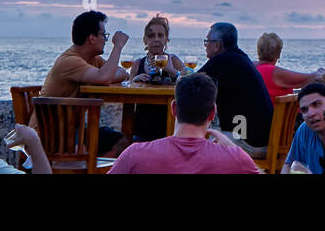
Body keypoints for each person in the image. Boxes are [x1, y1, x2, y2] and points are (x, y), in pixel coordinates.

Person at [108, 73, 261, 174]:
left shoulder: (135, 155)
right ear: (213, 113)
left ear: (173, 108)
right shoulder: (235, 159)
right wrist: (232, 147)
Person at [35, 10, 129, 157]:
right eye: (104, 35)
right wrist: (118, 46)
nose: (105, 40)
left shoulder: (92, 60)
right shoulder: (69, 61)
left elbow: (122, 73)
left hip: (71, 129)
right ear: (92, 38)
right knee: (108, 145)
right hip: (50, 135)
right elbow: (105, 77)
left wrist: (109, 74)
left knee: (122, 141)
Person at [199, 22, 274, 150]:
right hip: (264, 139)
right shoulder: (240, 58)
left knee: (200, 143)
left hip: (249, 141)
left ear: (217, 45)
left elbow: (189, 84)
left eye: (207, 41)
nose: (206, 46)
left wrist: (175, 72)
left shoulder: (222, 60)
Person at [129, 14, 184, 142]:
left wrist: (172, 71)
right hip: (141, 127)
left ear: (166, 40)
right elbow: (128, 89)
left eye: (161, 35)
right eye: (151, 35)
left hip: (169, 128)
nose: (156, 39)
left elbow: (192, 81)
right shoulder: (138, 64)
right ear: (145, 40)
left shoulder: (173, 60)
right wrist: (135, 81)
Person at [283, 83, 325, 174]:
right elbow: (288, 165)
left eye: (316, 104)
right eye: (305, 110)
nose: (310, 114)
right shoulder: (304, 130)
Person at [255, 32, 321, 100]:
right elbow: (309, 78)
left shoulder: (253, 68)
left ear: (258, 51)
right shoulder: (274, 72)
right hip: (276, 110)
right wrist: (320, 72)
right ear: (279, 53)